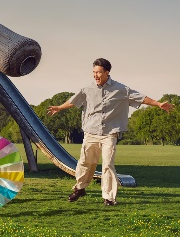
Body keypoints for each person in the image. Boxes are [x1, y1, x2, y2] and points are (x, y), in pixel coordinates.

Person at [46, 58, 173, 206]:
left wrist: (158, 104)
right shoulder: (87, 89)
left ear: (107, 72)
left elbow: (141, 98)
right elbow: (74, 101)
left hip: (109, 134)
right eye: (93, 72)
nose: (95, 75)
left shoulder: (121, 89)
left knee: (108, 165)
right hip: (91, 133)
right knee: (85, 163)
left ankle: (109, 197)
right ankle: (80, 188)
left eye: (98, 72)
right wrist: (59, 108)